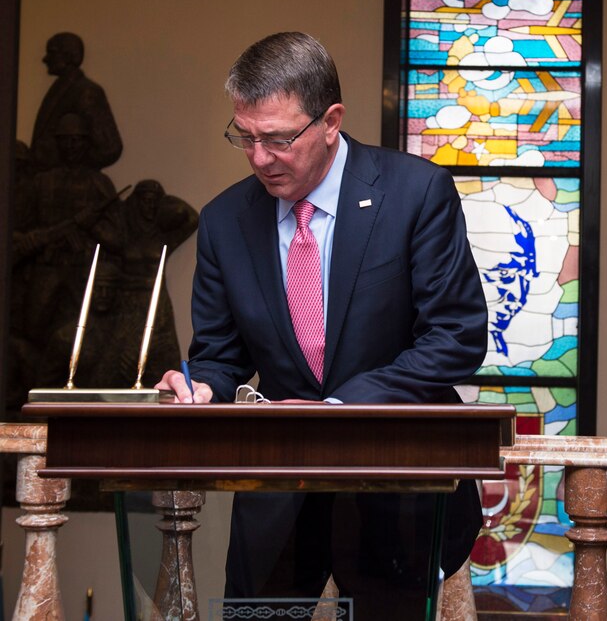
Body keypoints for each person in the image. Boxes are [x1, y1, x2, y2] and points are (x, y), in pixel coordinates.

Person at [155, 32, 488, 618]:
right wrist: (200, 385)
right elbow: (219, 355)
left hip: (396, 491)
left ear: (331, 121)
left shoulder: (415, 193)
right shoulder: (225, 221)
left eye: (278, 139)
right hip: (276, 499)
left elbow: (455, 339)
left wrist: (337, 410)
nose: (260, 158)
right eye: (245, 137)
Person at [30, 32, 123, 170]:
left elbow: (110, 148)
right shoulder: (62, 88)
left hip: (68, 187)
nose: (45, 59)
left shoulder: (87, 91)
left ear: (68, 56)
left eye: (52, 52)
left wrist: (72, 170)